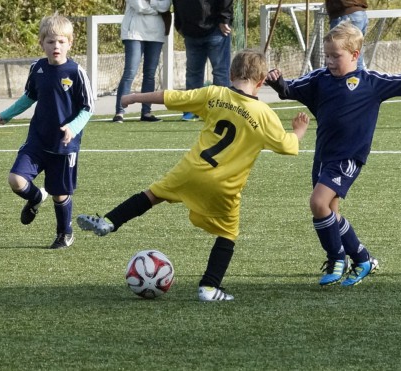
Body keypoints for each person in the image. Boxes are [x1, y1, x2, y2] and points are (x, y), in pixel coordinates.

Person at [77, 49, 310, 301]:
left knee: (152, 195)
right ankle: (209, 287)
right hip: (224, 185)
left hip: (191, 170)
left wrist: (134, 97)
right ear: (262, 81)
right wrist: (298, 130)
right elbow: (288, 147)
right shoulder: (264, 114)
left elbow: (171, 97)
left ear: (230, 74)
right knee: (228, 234)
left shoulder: (214, 94)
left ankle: (110, 221)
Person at [266, 21, 401, 287]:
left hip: (348, 157)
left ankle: (336, 258)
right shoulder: (319, 79)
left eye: (336, 56)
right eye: (327, 56)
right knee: (331, 213)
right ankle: (363, 258)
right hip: (323, 156)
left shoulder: (371, 82)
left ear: (355, 55)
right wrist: (278, 83)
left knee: (318, 203)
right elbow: (289, 91)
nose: (330, 61)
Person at [0, 13, 94, 249]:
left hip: (64, 145)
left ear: (70, 43)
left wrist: (72, 127)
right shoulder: (37, 68)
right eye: (50, 41)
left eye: (60, 41)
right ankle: (36, 197)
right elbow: (29, 96)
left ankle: (64, 233)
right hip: (37, 140)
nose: (55, 46)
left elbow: (89, 108)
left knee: (60, 194)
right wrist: (7, 114)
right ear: (42, 43)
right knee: (16, 180)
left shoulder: (76, 73)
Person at [172, 0, 233, 122]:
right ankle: (192, 110)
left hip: (216, 28)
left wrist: (224, 19)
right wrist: (180, 25)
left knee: (220, 72)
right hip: (190, 30)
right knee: (193, 73)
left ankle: (221, 110)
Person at [112, 0, 172, 124]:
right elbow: (138, 5)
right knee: (130, 72)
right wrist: (155, 9)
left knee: (150, 74)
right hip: (134, 33)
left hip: (156, 33)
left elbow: (165, 6)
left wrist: (151, 3)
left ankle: (146, 112)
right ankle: (119, 112)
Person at [324, 0, 368, 69]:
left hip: (345, 13)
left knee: (339, 54)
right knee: (355, 54)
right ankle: (359, 77)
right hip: (359, 12)